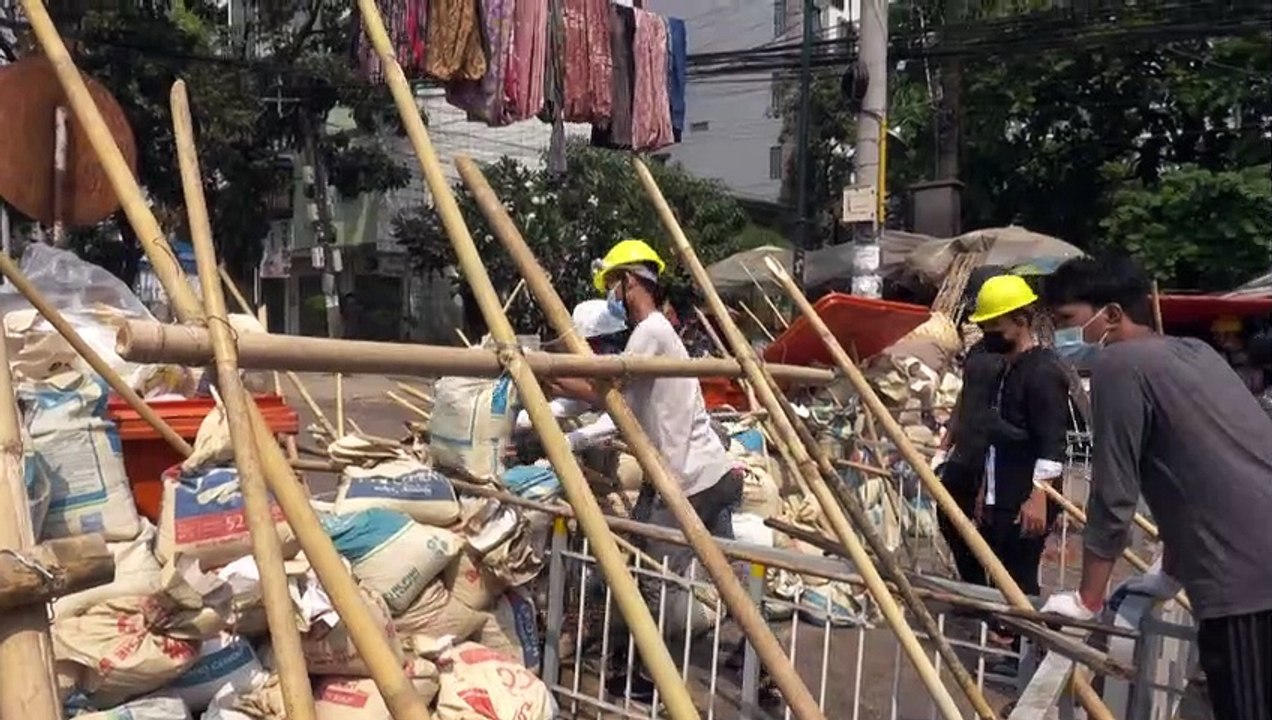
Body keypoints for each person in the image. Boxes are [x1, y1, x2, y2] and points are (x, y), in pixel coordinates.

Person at [1039, 257, 1272, 720]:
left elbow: (1114, 492)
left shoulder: (1119, 364)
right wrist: (1171, 572)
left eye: (1068, 321)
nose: (1064, 336)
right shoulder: (1194, 352)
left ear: (1110, 315)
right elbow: (1191, 473)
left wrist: (1088, 599)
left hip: (1245, 582)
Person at [548, 239, 745, 700]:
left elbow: (606, 391)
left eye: (614, 285)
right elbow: (610, 398)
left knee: (652, 574)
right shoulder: (658, 334)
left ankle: (650, 679)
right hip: (710, 473)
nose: (612, 295)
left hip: (685, 480)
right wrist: (554, 375)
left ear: (629, 281)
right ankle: (761, 662)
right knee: (728, 579)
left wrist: (549, 371)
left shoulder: (650, 333)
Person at [965, 274, 1071, 655]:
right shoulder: (1006, 370)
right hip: (1001, 488)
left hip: (1026, 493)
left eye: (996, 326)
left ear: (1021, 321)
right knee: (1004, 571)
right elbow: (998, 440)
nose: (989, 334)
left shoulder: (1041, 371)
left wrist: (1039, 496)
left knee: (1020, 576)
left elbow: (1051, 440)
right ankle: (1014, 644)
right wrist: (984, 490)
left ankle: (1027, 653)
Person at [512, 299, 627, 459]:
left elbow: (600, 407)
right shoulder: (596, 374)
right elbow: (571, 402)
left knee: (585, 445)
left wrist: (560, 444)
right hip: (598, 414)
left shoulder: (623, 374)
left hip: (630, 433)